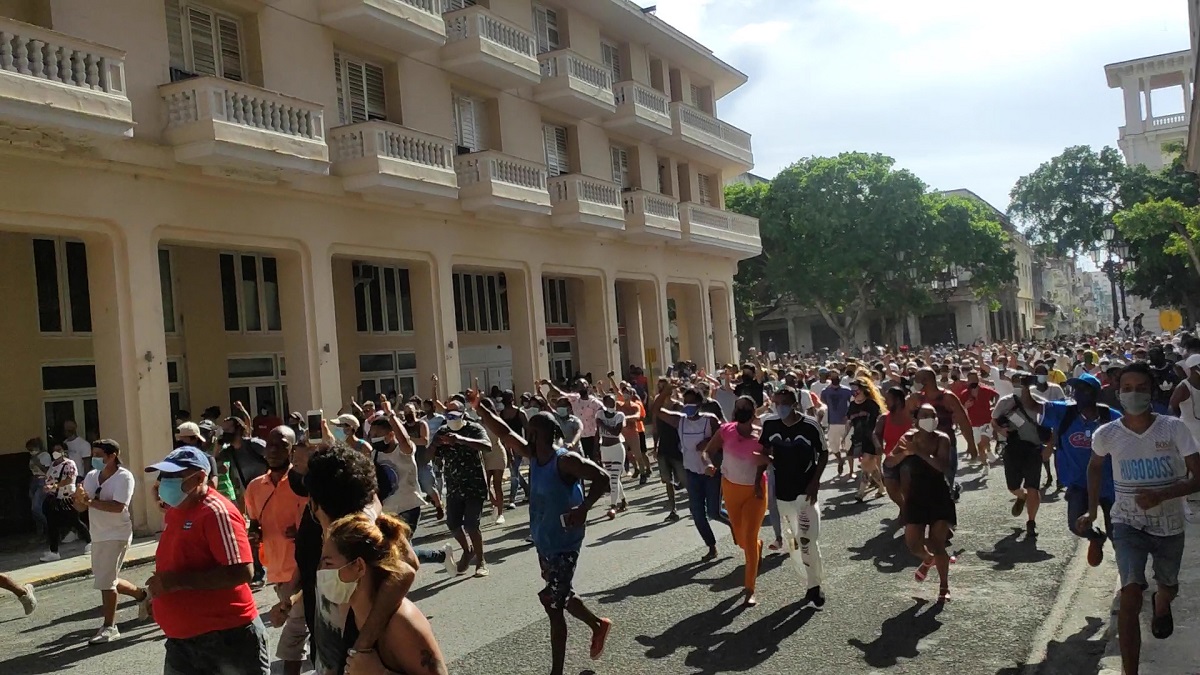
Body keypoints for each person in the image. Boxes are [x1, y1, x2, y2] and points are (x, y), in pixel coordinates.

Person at [475, 401, 613, 675]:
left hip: (565, 543)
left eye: (530, 430)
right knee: (560, 594)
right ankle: (598, 624)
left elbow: (603, 477)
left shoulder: (565, 460)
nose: (525, 433)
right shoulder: (534, 457)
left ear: (538, 434)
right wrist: (480, 409)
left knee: (553, 605)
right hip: (544, 541)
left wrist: (584, 509)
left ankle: (556, 672)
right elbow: (504, 433)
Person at [1081, 362, 1200, 675]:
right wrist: (1092, 510)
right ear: (1118, 393)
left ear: (1152, 392)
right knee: (1130, 593)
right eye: (1128, 388)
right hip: (1127, 523)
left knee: (1168, 585)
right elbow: (1094, 467)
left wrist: (1162, 495)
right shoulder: (1107, 434)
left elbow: (1198, 477)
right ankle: (1129, 671)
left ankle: (1163, 603)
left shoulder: (1174, 428)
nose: (1134, 394)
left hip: (1169, 524)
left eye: (1141, 388)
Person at [143, 447, 268, 675]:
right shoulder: (177, 509)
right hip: (183, 641)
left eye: (172, 476)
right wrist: (161, 595)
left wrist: (174, 583)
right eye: (163, 476)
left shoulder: (217, 512)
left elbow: (241, 572)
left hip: (226, 639)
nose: (163, 482)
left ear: (200, 477)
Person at [295, 444, 416, 675]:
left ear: (313, 502)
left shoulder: (363, 538)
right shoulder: (315, 533)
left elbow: (407, 568)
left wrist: (361, 648)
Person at [320, 514, 448, 675]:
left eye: (328, 563)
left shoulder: (401, 623)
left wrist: (380, 673)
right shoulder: (350, 610)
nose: (321, 571)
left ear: (359, 566)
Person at [1022, 373, 1119, 567]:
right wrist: (1026, 386)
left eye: (1084, 389)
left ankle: (1127, 574)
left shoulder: (1112, 417)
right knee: (1076, 525)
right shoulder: (1063, 413)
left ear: (1095, 393)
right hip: (1078, 484)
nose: (1078, 394)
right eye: (1076, 389)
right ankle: (1096, 538)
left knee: (1118, 534)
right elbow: (1031, 405)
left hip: (1110, 485)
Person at [244, 428, 309, 675]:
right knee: (304, 624)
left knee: (295, 628)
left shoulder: (303, 483)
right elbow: (254, 522)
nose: (272, 450)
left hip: (306, 568)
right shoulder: (254, 487)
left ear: (292, 449)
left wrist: (303, 532)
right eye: (269, 444)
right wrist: (255, 534)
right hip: (278, 571)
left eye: (280, 445)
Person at [73, 439, 149, 644]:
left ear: (112, 455)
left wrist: (89, 502)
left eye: (99, 455)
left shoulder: (124, 477)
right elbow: (81, 508)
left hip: (117, 534)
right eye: (94, 454)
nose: (94, 459)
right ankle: (143, 595)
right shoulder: (91, 476)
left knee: (106, 581)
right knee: (106, 578)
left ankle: (109, 626)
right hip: (97, 534)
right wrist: (78, 499)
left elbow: (118, 507)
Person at [761, 386, 827, 608]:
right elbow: (763, 448)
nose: (780, 407)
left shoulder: (810, 426)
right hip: (782, 495)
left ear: (795, 404)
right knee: (796, 542)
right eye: (777, 403)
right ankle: (809, 579)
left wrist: (815, 482)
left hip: (805, 493)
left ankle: (814, 587)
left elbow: (824, 453)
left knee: (808, 538)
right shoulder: (770, 425)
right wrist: (766, 459)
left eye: (785, 403)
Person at [370, 402, 456, 570]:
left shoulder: (404, 450)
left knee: (399, 551)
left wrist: (391, 415)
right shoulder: (375, 454)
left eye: (377, 434)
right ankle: (441, 556)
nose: (373, 438)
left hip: (408, 507)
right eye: (371, 434)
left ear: (390, 435)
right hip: (386, 510)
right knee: (395, 551)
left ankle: (399, 586)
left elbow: (404, 439)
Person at [703, 396, 769, 605]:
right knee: (742, 540)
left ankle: (750, 590)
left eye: (746, 408)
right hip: (730, 489)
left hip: (756, 491)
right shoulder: (725, 430)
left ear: (753, 412)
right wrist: (708, 464)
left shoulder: (761, 434)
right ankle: (757, 545)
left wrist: (766, 460)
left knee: (747, 538)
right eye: (738, 407)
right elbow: (707, 451)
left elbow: (772, 458)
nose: (741, 410)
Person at [654, 383, 727, 561]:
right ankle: (711, 546)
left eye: (692, 403)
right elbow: (656, 410)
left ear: (700, 405)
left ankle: (735, 526)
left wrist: (709, 443)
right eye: (685, 402)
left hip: (711, 473)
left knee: (713, 512)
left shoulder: (709, 420)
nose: (688, 406)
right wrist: (666, 391)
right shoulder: (680, 420)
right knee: (697, 512)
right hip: (692, 473)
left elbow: (725, 436)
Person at [898, 404, 955, 603]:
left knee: (937, 542)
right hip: (915, 495)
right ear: (916, 419)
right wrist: (904, 453)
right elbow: (889, 462)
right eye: (925, 415)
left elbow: (941, 466)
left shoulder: (942, 438)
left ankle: (944, 586)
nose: (930, 419)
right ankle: (927, 559)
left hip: (939, 494)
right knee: (913, 545)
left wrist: (919, 452)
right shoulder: (908, 438)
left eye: (933, 415)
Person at [432, 402, 493, 577]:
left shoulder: (474, 428)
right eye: (448, 414)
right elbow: (428, 457)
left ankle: (481, 561)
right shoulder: (443, 431)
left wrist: (460, 440)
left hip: (474, 485)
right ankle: (468, 550)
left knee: (472, 525)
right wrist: (434, 444)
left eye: (454, 414)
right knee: (453, 523)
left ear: (463, 414)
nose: (451, 417)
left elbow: (487, 446)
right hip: (454, 486)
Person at [993, 372, 1048, 538]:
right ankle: (1021, 496)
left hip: (1033, 449)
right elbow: (994, 420)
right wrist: (1000, 430)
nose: (1019, 384)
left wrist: (1050, 446)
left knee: (1033, 486)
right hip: (1013, 448)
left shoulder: (1041, 403)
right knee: (1013, 486)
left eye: (1023, 381)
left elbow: (1052, 426)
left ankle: (1031, 521)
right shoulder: (1005, 401)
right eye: (1016, 381)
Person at [909, 368, 977, 501]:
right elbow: (907, 421)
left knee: (945, 481)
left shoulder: (947, 397)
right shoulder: (916, 399)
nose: (914, 382)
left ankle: (947, 501)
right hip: (924, 447)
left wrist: (971, 444)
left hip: (946, 445)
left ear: (925, 381)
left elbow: (963, 421)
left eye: (917, 379)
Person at [40, 441, 89, 562]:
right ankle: (54, 551)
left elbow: (70, 479)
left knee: (74, 521)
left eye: (58, 449)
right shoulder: (52, 465)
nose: (55, 452)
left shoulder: (69, 464)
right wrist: (48, 487)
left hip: (66, 497)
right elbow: (49, 478)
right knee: (52, 524)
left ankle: (90, 541)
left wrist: (55, 486)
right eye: (54, 450)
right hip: (54, 498)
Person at [648, 380, 687, 522]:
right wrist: (655, 445)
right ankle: (673, 509)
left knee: (684, 478)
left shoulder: (678, 405)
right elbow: (655, 428)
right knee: (667, 480)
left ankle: (696, 505)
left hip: (677, 446)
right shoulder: (657, 408)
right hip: (664, 448)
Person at [545, 378, 605, 463]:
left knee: (595, 461)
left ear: (588, 386)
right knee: (581, 461)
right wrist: (549, 384)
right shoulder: (574, 399)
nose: (580, 386)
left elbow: (604, 415)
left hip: (592, 437)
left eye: (582, 384)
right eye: (578, 384)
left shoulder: (595, 403)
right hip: (579, 438)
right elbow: (559, 393)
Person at [875, 386, 913, 513]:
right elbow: (876, 433)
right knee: (891, 488)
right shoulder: (884, 418)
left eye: (888, 399)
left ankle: (911, 512)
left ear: (897, 400)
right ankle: (903, 507)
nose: (885, 402)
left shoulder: (912, 416)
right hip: (891, 459)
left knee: (907, 486)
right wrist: (878, 444)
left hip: (911, 458)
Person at [847, 377, 885, 501]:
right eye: (852, 388)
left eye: (856, 388)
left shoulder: (871, 404)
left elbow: (878, 421)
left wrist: (878, 441)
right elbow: (850, 422)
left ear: (863, 389)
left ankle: (861, 492)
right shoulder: (852, 405)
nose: (854, 391)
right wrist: (844, 437)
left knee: (865, 464)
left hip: (872, 438)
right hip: (858, 439)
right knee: (871, 466)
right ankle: (881, 488)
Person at [957, 370, 997, 475]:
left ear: (978, 379)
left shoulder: (985, 390)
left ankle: (988, 451)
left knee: (984, 440)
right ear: (968, 381)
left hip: (986, 421)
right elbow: (959, 408)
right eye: (971, 380)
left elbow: (996, 396)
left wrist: (994, 407)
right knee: (979, 446)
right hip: (973, 423)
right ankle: (985, 464)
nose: (973, 381)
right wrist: (966, 406)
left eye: (975, 379)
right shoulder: (964, 394)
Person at [596, 393, 628, 518]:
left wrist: (603, 424)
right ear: (604, 403)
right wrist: (596, 450)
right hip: (605, 449)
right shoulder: (599, 414)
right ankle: (623, 500)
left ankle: (613, 506)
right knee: (612, 478)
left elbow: (616, 432)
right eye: (608, 401)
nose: (611, 403)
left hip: (617, 449)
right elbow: (597, 433)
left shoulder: (620, 415)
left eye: (613, 401)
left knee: (614, 478)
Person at [498, 391, 532, 509]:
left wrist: (527, 444)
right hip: (507, 446)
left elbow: (528, 429)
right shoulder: (502, 414)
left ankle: (512, 499)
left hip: (518, 445)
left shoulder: (520, 413)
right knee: (514, 470)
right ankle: (528, 490)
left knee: (514, 471)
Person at [820, 372, 853, 475]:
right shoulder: (825, 391)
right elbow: (823, 402)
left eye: (836, 377)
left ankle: (851, 470)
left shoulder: (847, 390)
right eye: (833, 377)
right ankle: (840, 460)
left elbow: (852, 403)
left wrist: (848, 415)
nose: (835, 379)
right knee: (834, 446)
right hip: (832, 422)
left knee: (849, 446)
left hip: (845, 422)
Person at [26, 437, 50, 534]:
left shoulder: (45, 456)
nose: (31, 452)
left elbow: (47, 471)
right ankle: (40, 530)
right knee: (33, 506)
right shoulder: (32, 457)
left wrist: (38, 463)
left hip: (42, 480)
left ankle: (49, 526)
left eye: (32, 449)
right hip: (34, 480)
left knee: (36, 507)